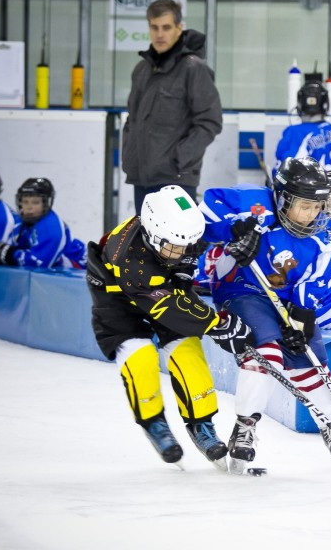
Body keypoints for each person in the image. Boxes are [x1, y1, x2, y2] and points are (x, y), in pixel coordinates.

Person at [198, 157, 331, 474]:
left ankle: (330, 423)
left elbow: (316, 279)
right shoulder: (253, 203)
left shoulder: (324, 235)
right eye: (304, 206)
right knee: (267, 352)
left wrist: (301, 313)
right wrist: (234, 229)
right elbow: (206, 213)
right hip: (241, 290)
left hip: (285, 298)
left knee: (307, 355)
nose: (312, 215)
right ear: (282, 198)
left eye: (317, 206)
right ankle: (245, 425)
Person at [86, 185, 256, 467]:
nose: (181, 252)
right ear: (152, 234)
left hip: (161, 285)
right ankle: (153, 421)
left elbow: (205, 235)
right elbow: (171, 307)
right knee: (139, 356)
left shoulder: (180, 230)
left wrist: (235, 232)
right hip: (115, 296)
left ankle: (201, 422)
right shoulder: (131, 260)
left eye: (186, 246)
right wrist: (217, 324)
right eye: (173, 248)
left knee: (187, 352)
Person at [122, 0, 223, 214]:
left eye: (166, 27)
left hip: (176, 179)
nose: (160, 34)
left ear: (179, 28)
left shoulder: (193, 69)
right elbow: (133, 120)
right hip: (142, 177)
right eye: (154, 27)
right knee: (145, 244)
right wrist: (129, 156)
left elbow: (210, 121)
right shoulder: (141, 70)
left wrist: (179, 159)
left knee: (177, 246)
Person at [0, 177, 87, 269]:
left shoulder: (51, 228)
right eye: (25, 202)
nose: (29, 207)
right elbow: (11, 246)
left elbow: (39, 263)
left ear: (46, 204)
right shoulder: (23, 223)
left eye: (35, 202)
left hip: (81, 269)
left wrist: (10, 255)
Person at [273, 81, 331, 177]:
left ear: (300, 104)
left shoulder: (293, 132)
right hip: (328, 186)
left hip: (305, 189)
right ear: (325, 104)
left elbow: (285, 169)